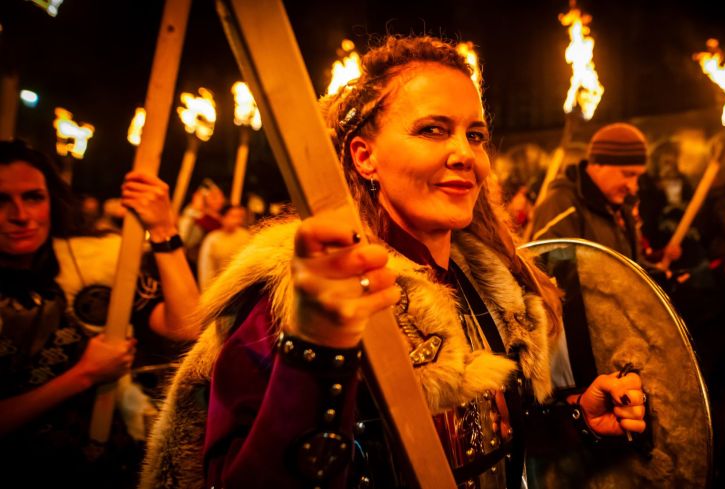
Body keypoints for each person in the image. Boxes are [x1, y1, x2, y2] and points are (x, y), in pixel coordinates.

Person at [141, 36, 646, 489]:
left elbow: (487, 442)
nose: (464, 154)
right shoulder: (295, 295)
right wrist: (316, 346)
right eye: (432, 130)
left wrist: (577, 419)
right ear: (365, 157)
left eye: (474, 135)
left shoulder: (491, 290)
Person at [0, 140, 201, 488]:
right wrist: (84, 374)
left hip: (104, 467)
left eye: (33, 197)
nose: (20, 215)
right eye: (0, 200)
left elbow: (186, 325)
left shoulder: (92, 264)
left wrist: (164, 229)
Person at [529, 123, 650, 263]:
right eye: (628, 174)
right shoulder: (562, 206)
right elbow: (552, 272)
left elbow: (633, 269)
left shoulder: (621, 208)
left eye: (638, 177)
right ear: (599, 165)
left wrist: (667, 280)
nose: (633, 186)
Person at [197, 204, 250, 290]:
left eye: (239, 217)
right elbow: (206, 268)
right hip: (218, 288)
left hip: (239, 287)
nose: (236, 220)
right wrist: (207, 290)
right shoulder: (212, 239)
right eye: (233, 216)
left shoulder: (245, 236)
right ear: (222, 217)